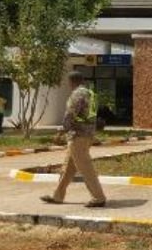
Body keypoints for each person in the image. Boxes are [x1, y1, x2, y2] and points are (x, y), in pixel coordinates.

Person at [40, 71, 107, 208]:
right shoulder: (91, 94)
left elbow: (70, 114)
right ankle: (57, 196)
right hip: (87, 135)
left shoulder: (76, 94)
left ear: (71, 82)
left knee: (85, 168)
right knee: (68, 168)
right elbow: (92, 116)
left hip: (78, 136)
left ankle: (98, 197)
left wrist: (61, 131)